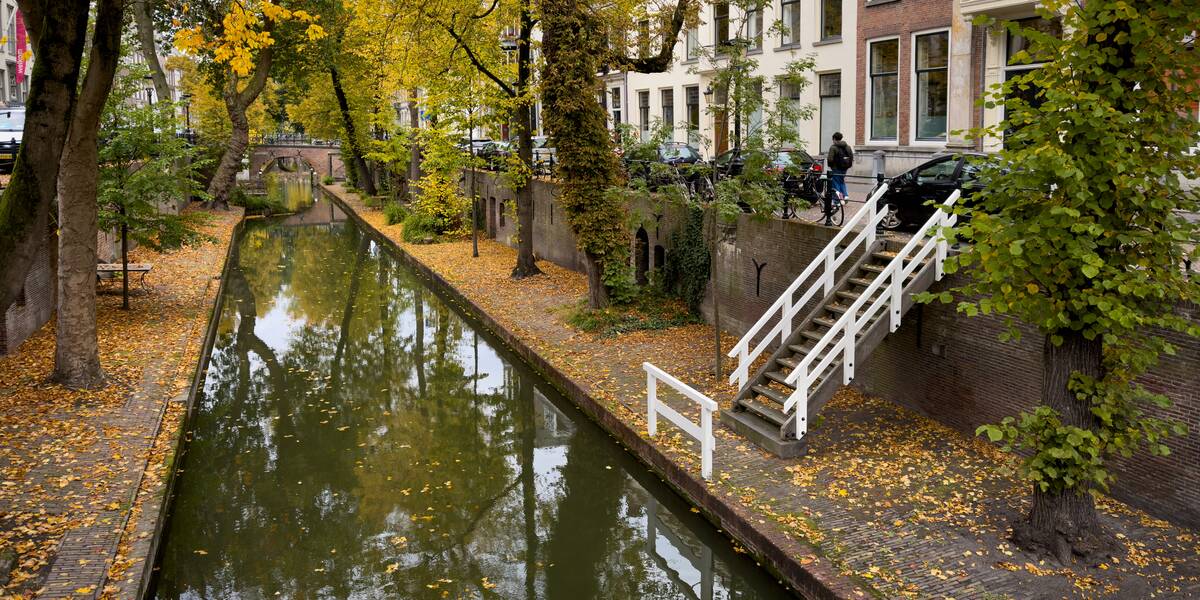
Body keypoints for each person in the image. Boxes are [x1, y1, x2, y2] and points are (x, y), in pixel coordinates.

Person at [826, 132, 854, 202]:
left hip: (836, 168)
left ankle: (837, 200)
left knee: (835, 183)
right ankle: (845, 196)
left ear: (834, 139)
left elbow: (830, 159)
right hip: (845, 168)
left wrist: (830, 166)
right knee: (841, 181)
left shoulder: (833, 147)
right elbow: (851, 157)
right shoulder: (848, 147)